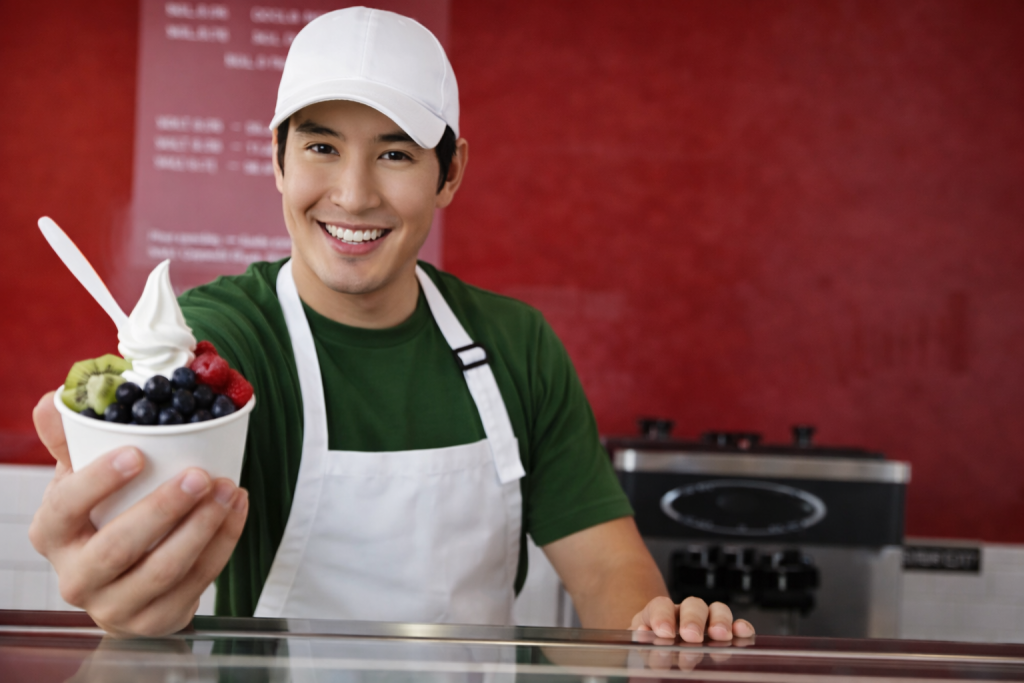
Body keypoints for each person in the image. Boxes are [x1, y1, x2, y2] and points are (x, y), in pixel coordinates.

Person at [30, 6, 754, 641]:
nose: (352, 192)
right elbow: (159, 429)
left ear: (451, 173)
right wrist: (125, 583)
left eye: (396, 153)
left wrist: (664, 630)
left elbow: (606, 571)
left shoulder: (516, 344)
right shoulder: (226, 339)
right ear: (277, 158)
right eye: (320, 146)